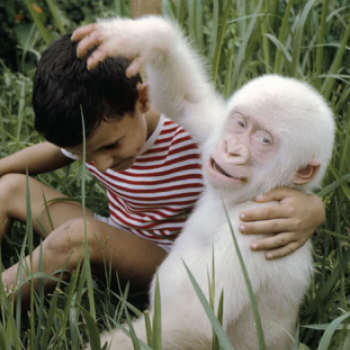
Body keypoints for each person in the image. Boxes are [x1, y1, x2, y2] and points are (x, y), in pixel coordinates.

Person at [0, 33, 324, 305]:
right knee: (9, 187)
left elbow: (264, 171)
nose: (99, 164)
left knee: (79, 237)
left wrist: (312, 207)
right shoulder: (93, 135)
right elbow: (58, 153)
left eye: (110, 147)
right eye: (80, 154)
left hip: (173, 261)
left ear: (143, 99)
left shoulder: (198, 133)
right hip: (116, 232)